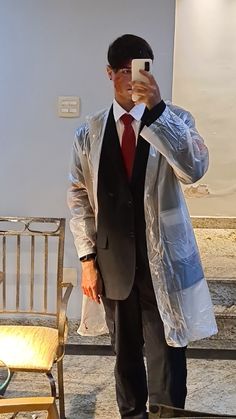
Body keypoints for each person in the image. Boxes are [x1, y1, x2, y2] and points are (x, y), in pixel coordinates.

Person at [68, 34, 217, 419]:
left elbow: (193, 170)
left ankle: (168, 415)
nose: (133, 79)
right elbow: (79, 195)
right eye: (124, 71)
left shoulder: (177, 119)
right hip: (113, 263)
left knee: (168, 356)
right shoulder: (89, 132)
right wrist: (87, 259)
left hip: (162, 262)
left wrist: (158, 111)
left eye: (142, 70)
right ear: (110, 74)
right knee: (126, 357)